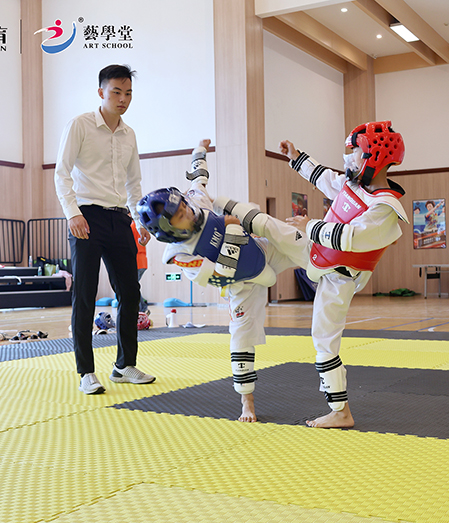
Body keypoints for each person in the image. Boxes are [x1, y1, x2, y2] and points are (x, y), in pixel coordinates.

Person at [137, 139, 310, 423]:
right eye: (180, 215)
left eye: (183, 206)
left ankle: (334, 250)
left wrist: (199, 150)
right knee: (241, 338)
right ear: (168, 230)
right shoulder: (181, 255)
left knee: (300, 245)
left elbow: (198, 177)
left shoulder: (195, 202)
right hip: (240, 285)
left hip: (261, 250)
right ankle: (247, 402)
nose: (187, 211)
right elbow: (220, 277)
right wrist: (231, 235)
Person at [280, 120, 408, 428]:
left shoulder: (385, 208)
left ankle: (340, 411)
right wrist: (296, 157)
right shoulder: (354, 184)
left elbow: (349, 237)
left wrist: (309, 225)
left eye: (355, 152)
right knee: (269, 235)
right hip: (316, 251)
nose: (348, 158)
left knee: (323, 338)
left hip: (341, 275)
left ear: (374, 157)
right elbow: (325, 178)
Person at [54, 64, 155, 395]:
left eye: (128, 93)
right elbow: (61, 173)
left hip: (119, 219)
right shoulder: (80, 125)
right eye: (116, 92)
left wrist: (141, 220)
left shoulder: (130, 134)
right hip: (86, 217)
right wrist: (72, 214)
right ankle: (86, 371)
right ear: (101, 92)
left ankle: (124, 366)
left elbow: (134, 183)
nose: (122, 99)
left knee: (130, 293)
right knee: (84, 295)